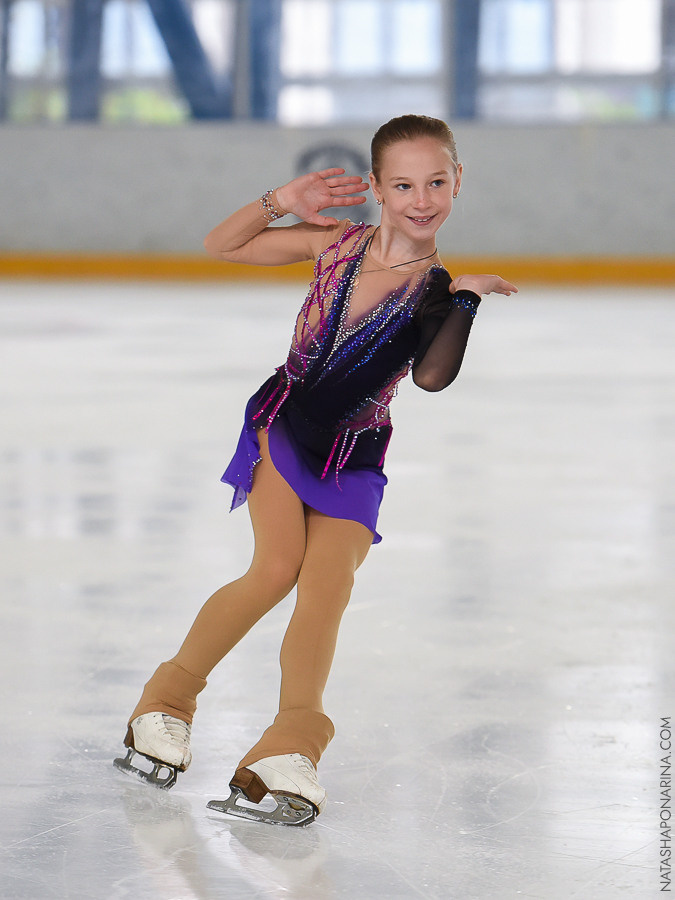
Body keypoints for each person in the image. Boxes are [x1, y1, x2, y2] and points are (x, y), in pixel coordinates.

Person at [113, 114, 517, 826]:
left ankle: (289, 747)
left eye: (436, 182)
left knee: (326, 589)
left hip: (356, 453)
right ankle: (165, 705)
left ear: (458, 181)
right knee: (276, 568)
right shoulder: (334, 244)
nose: (421, 199)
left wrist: (466, 299)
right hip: (286, 424)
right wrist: (279, 201)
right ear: (376, 187)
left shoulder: (436, 291)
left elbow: (431, 377)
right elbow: (222, 245)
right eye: (403, 185)